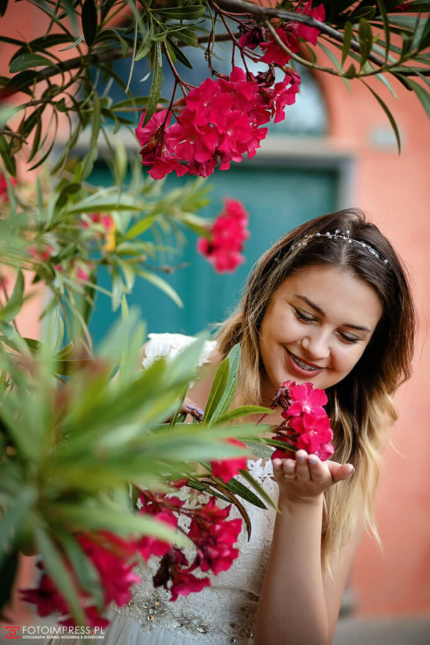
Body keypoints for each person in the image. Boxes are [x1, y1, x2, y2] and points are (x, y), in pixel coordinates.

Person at [48, 208, 415, 645]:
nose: (316, 349)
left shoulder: (346, 454)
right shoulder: (165, 368)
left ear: (369, 348)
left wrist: (300, 503)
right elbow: (48, 526)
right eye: (304, 315)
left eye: (348, 336)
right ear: (267, 293)